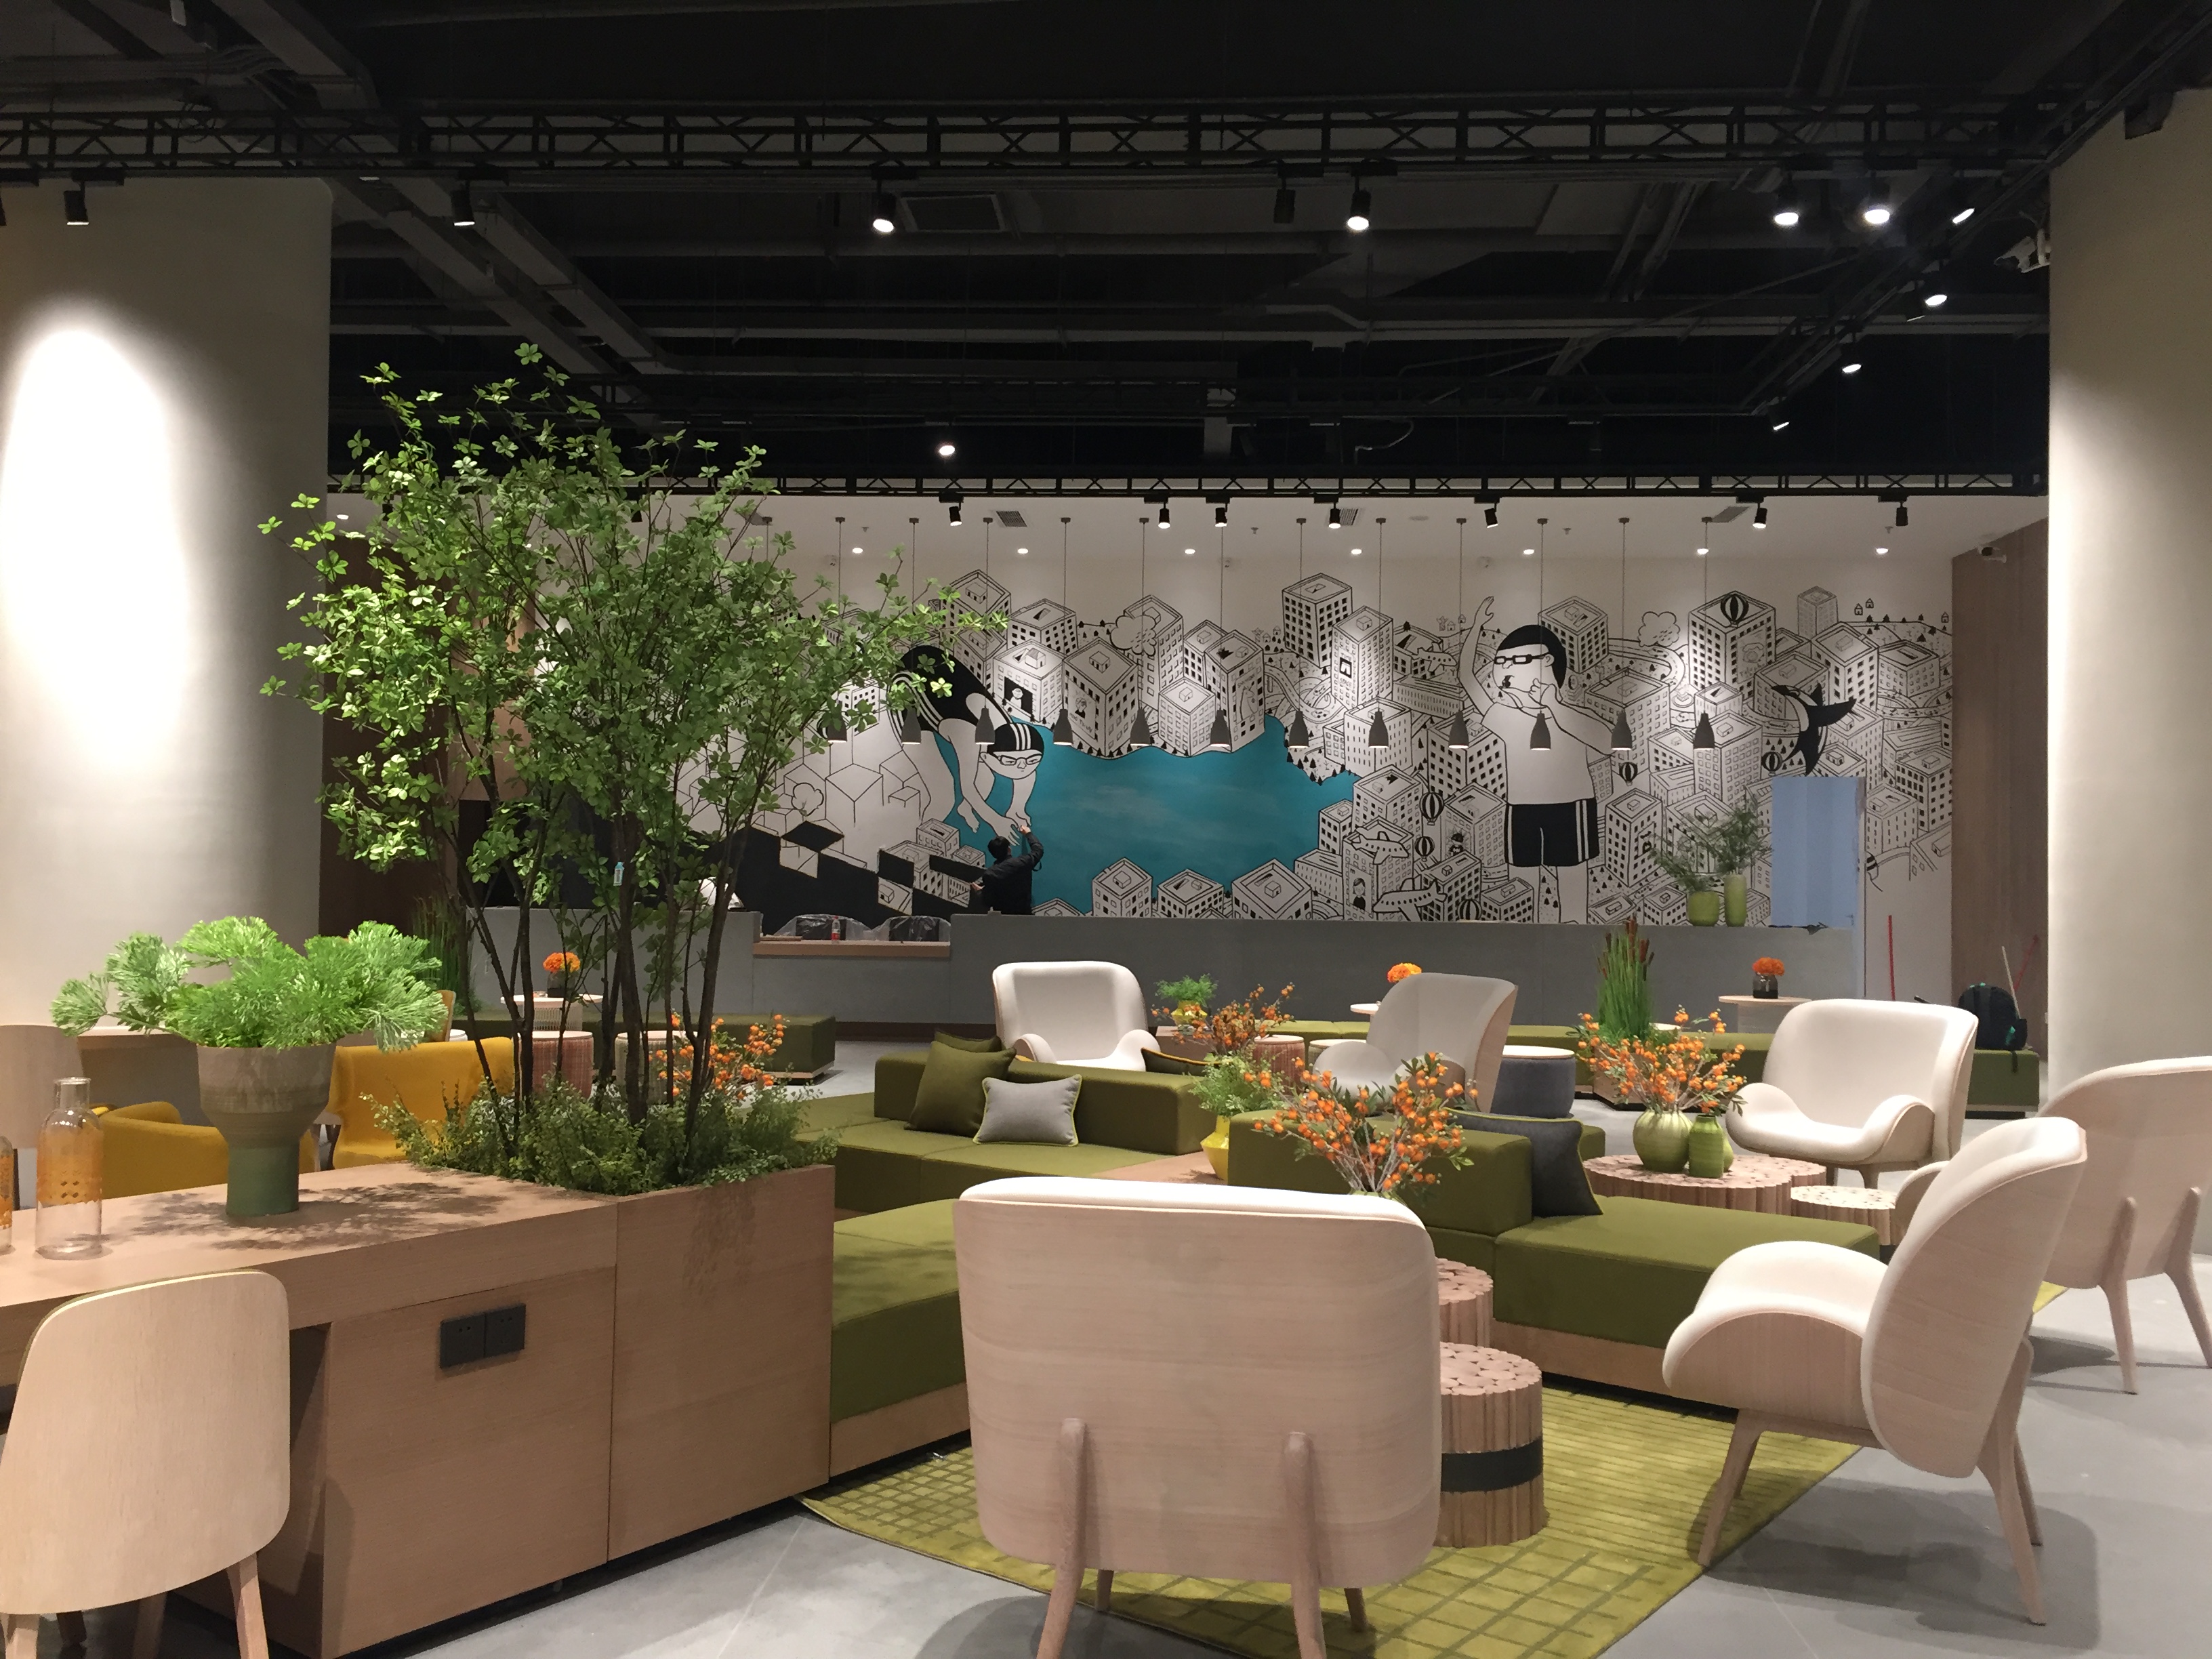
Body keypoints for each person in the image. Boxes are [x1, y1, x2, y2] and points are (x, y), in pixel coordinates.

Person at [1456, 605, 1612, 924]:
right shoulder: (1506, 717)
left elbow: (1608, 742)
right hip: (1522, 809)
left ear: (1548, 661)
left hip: (1571, 806)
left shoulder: (1572, 717)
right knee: (1520, 898)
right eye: (1501, 662)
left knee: (1573, 900)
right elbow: (1466, 677)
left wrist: (1554, 706)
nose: (1506, 670)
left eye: (1517, 660)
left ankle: (1572, 950)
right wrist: (1475, 628)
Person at [969, 827, 1045, 914]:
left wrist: (980, 891)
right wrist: (1028, 834)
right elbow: (1038, 850)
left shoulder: (990, 874)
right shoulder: (1022, 863)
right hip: (1025, 916)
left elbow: (988, 901)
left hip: (1003, 918)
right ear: (1009, 849)